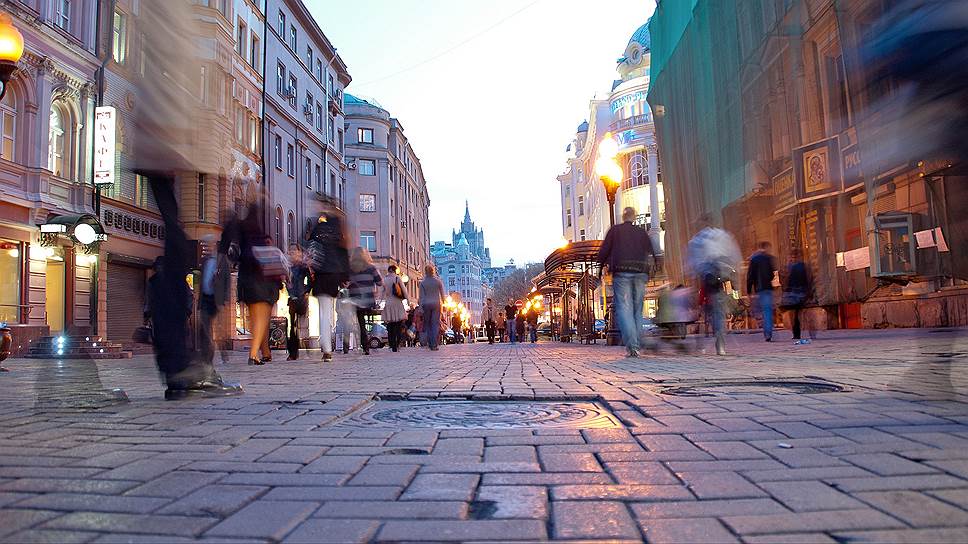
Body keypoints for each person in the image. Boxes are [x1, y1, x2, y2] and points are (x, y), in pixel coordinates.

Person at [221, 205, 284, 367]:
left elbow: (232, 250)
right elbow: (272, 267)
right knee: (262, 320)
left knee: (255, 319)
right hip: (263, 283)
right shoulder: (261, 238)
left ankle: (265, 352)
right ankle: (254, 354)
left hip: (246, 281)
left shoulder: (242, 232)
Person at [596, 207, 657, 358]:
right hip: (640, 272)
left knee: (624, 309)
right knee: (637, 310)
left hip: (621, 271)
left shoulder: (615, 231)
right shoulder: (641, 232)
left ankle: (633, 346)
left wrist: (601, 267)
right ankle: (637, 342)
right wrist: (653, 266)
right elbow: (652, 250)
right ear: (634, 217)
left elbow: (603, 252)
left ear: (623, 217)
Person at [686, 219, 741, 356]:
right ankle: (720, 343)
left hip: (708, 277)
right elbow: (734, 256)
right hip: (721, 275)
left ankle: (710, 340)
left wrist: (694, 276)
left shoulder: (697, 240)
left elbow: (692, 264)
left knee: (710, 311)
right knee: (718, 310)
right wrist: (734, 274)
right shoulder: (722, 235)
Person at [307, 204, 349, 362]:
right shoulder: (338, 233)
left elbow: (309, 248)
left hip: (319, 275)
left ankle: (326, 347)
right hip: (333, 275)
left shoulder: (317, 230)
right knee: (328, 310)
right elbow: (343, 255)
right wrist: (345, 277)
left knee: (322, 311)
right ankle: (327, 346)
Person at [347, 247, 383, 356]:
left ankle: (364, 345)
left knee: (361, 323)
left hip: (355, 299)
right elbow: (380, 282)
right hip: (368, 299)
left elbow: (346, 282)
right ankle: (371, 340)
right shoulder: (371, 268)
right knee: (370, 321)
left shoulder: (350, 268)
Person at [746, 241, 778, 342]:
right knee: (767, 310)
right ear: (766, 247)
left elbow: (750, 276)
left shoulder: (754, 259)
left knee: (764, 310)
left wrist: (749, 290)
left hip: (759, 289)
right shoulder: (769, 258)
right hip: (768, 287)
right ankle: (768, 333)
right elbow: (772, 274)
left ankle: (767, 332)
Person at [782, 248, 815, 345]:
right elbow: (809, 279)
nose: (792, 259)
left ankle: (797, 333)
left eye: (793, 257)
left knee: (795, 315)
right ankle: (806, 332)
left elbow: (786, 280)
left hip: (795, 293)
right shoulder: (803, 266)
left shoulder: (792, 267)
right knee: (799, 314)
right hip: (801, 292)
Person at [286, 244, 311, 360]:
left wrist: (306, 290)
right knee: (292, 325)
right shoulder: (288, 267)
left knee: (303, 324)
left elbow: (310, 279)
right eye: (290, 250)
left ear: (299, 252)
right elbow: (287, 281)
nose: (292, 253)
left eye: (294, 250)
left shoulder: (302, 267)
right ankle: (293, 353)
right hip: (292, 298)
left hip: (301, 297)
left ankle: (306, 348)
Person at [419, 264, 445, 351]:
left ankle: (430, 343)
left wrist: (420, 307)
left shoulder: (422, 283)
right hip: (436, 304)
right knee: (435, 323)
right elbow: (442, 294)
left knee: (428, 324)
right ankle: (434, 344)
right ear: (433, 271)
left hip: (426, 304)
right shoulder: (438, 281)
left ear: (425, 272)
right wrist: (444, 304)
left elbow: (421, 297)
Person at [383, 265, 407, 352]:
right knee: (398, 325)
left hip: (388, 303)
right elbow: (404, 290)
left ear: (388, 270)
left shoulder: (385, 279)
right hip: (397, 303)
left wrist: (379, 302)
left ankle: (392, 344)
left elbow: (382, 292)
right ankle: (397, 343)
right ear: (395, 270)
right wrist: (407, 300)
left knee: (390, 325)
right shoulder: (397, 278)